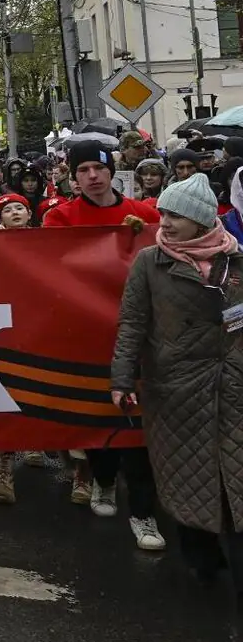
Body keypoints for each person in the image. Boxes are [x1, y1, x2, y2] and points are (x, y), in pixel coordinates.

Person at [113, 175, 243, 585]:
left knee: (235, 474)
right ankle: (202, 559)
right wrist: (122, 379)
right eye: (164, 213)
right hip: (176, 389)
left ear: (201, 220)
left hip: (234, 386)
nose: (165, 222)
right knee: (187, 475)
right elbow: (132, 323)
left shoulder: (236, 261)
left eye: (176, 216)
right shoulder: (150, 263)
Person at [42, 139, 166, 530]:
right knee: (96, 413)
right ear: (73, 177)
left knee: (138, 418)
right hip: (85, 334)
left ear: (112, 172)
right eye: (83, 170)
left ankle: (143, 511)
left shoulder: (144, 214)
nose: (93, 176)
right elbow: (48, 267)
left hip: (138, 333)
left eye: (99, 168)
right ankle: (104, 480)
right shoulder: (59, 218)